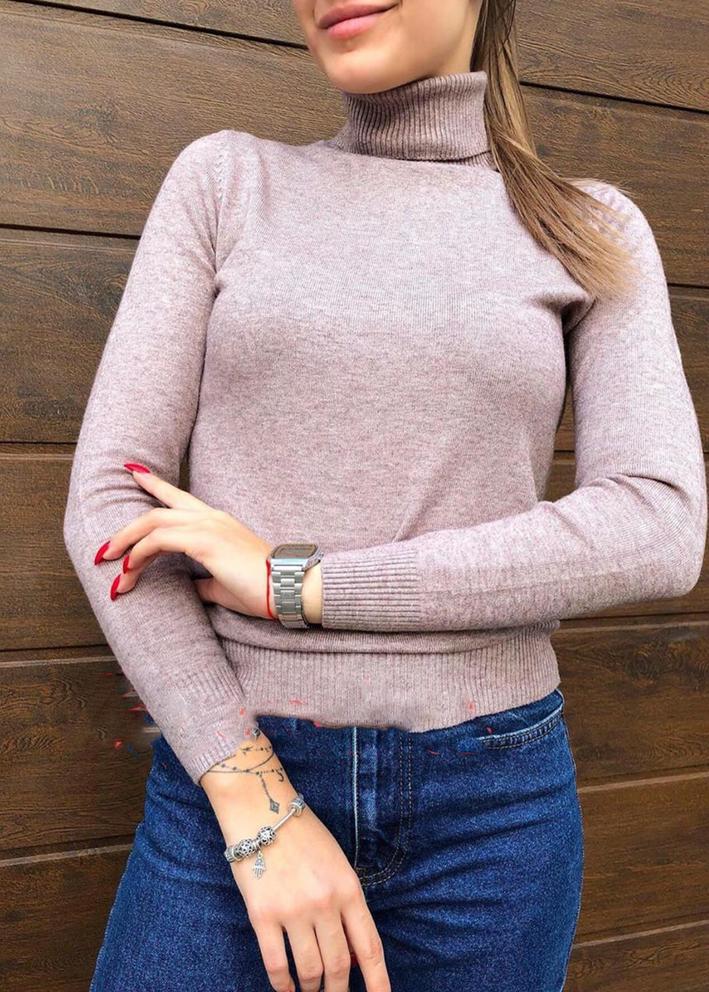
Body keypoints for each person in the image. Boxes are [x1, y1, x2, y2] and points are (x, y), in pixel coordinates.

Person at [62, 1, 707, 991]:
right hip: (232, 777)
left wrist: (300, 582)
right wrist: (254, 800)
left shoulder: (588, 225)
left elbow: (657, 523)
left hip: (491, 818)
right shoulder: (226, 181)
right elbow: (110, 502)